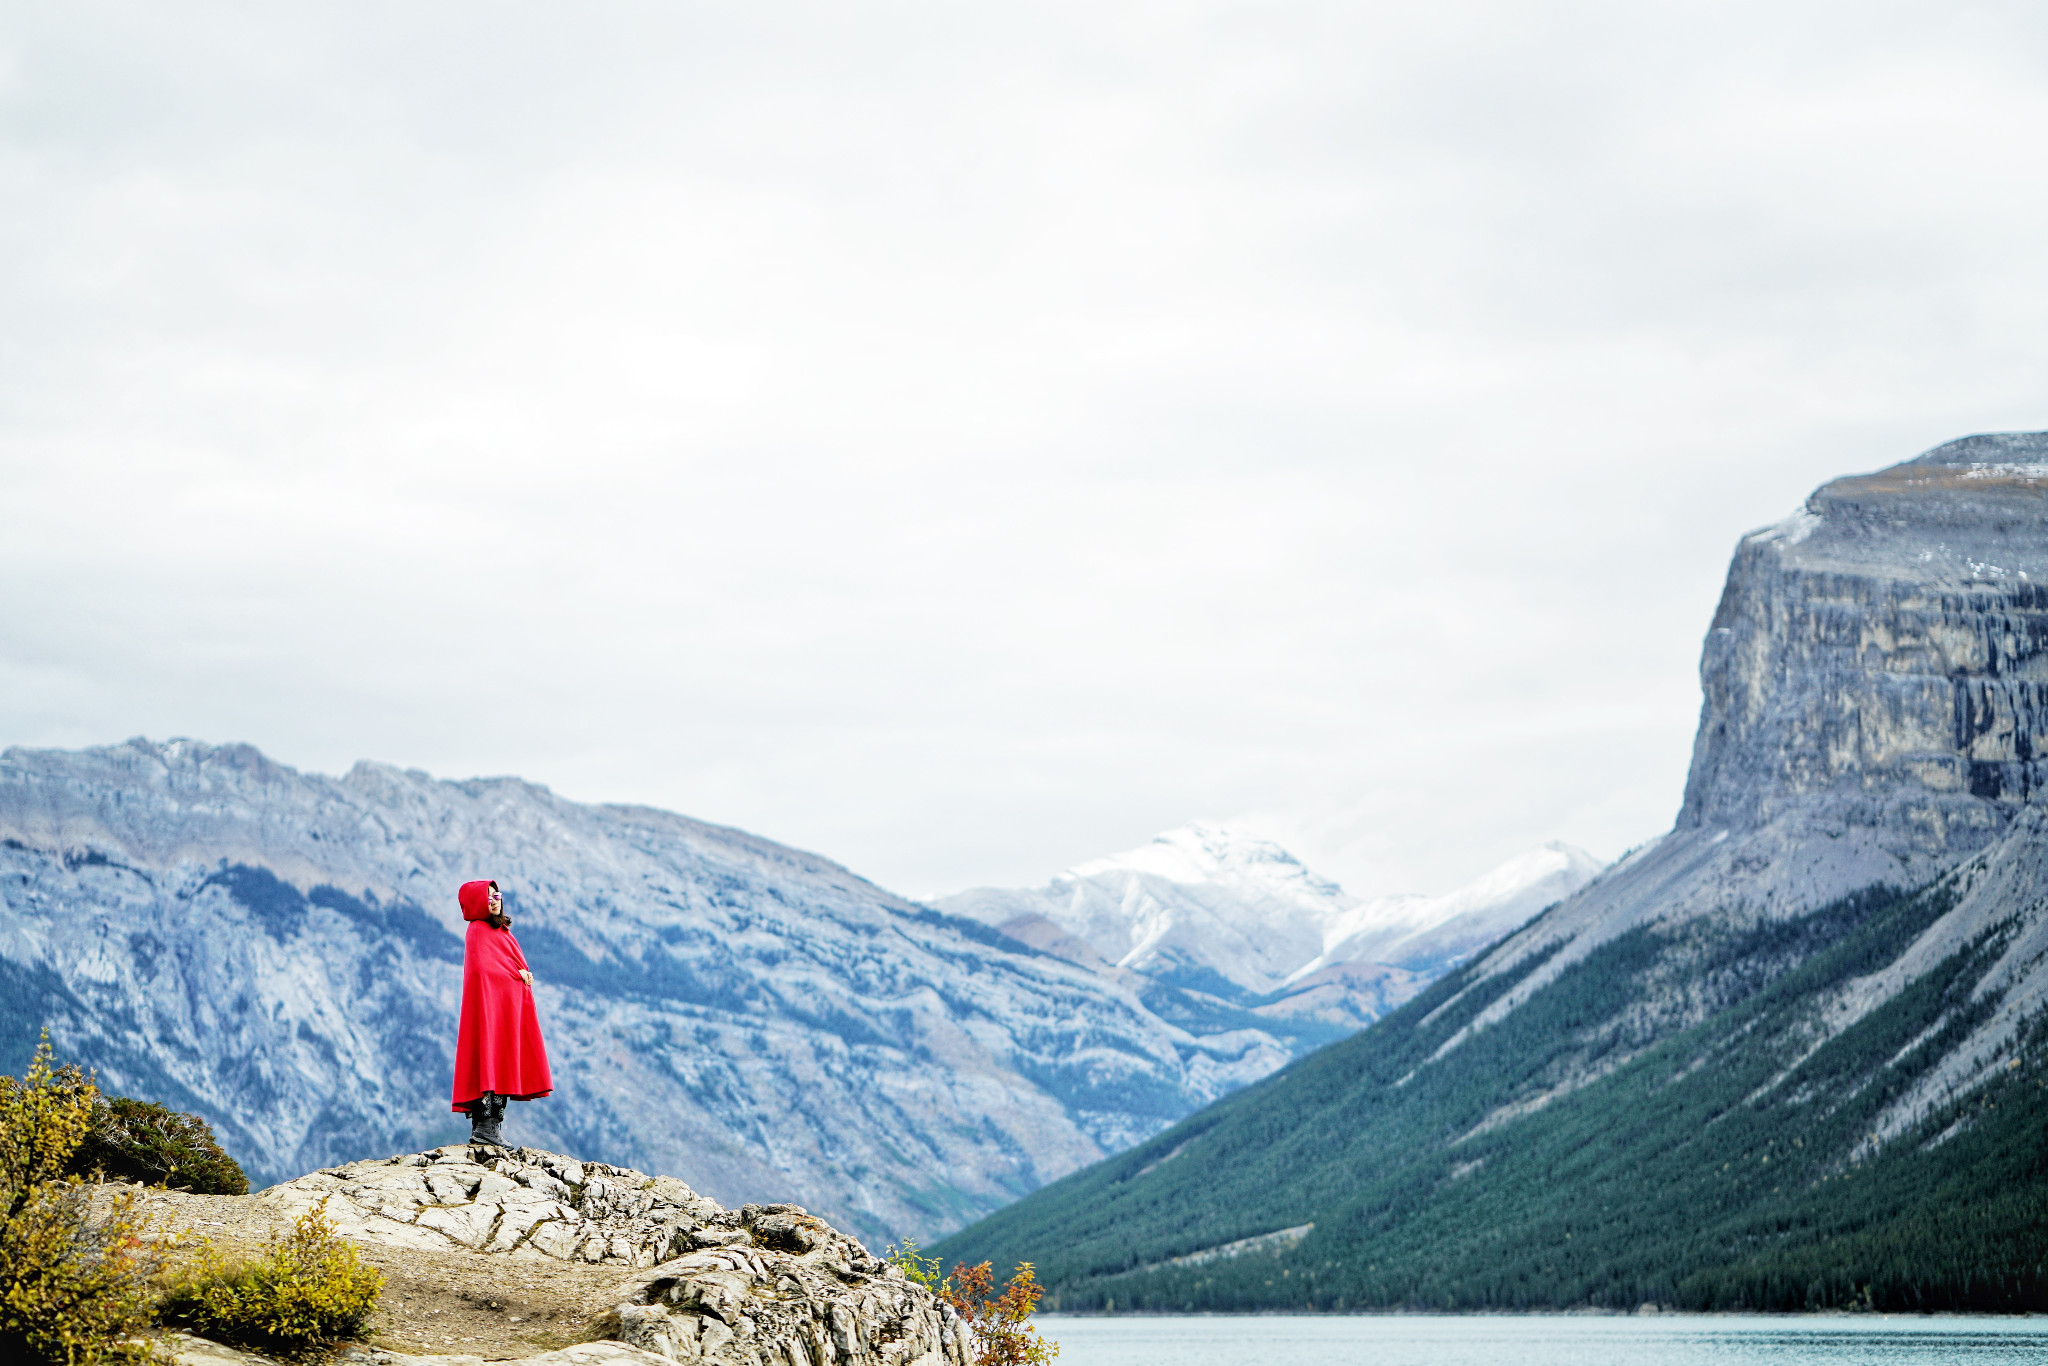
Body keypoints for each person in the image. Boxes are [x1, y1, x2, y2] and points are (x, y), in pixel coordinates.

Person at [450, 879, 552, 1147]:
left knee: (502, 1065)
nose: (494, 900)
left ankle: (493, 1127)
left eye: (497, 895)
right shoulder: (477, 932)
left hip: (505, 1012)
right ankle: (484, 1129)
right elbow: (483, 972)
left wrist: (521, 977)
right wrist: (515, 976)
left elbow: (507, 965)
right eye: (488, 897)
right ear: (475, 903)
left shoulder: (501, 931)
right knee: (488, 1063)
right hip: (488, 1012)